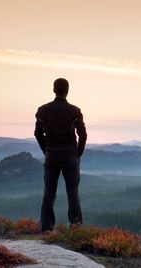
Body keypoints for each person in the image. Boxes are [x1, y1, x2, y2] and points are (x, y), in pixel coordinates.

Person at [34, 78, 87, 233]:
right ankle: (76, 229)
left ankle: (47, 229)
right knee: (73, 193)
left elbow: (37, 133)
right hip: (70, 156)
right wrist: (78, 154)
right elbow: (83, 135)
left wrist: (46, 150)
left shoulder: (43, 110)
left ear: (54, 89)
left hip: (52, 155)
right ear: (67, 90)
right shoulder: (75, 111)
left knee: (49, 193)